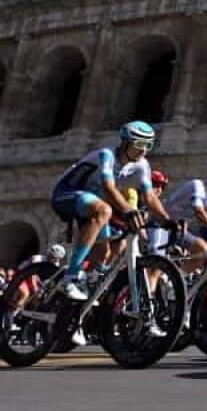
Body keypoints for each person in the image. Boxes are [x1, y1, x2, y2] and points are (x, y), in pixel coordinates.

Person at [50, 121, 171, 301]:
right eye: (139, 145)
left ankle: (71, 308)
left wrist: (168, 221)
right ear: (125, 142)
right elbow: (108, 187)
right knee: (104, 210)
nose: (144, 151)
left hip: (91, 204)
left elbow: (150, 198)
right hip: (66, 194)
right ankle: (70, 277)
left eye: (148, 146)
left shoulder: (142, 165)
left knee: (103, 254)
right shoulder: (106, 155)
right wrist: (128, 211)